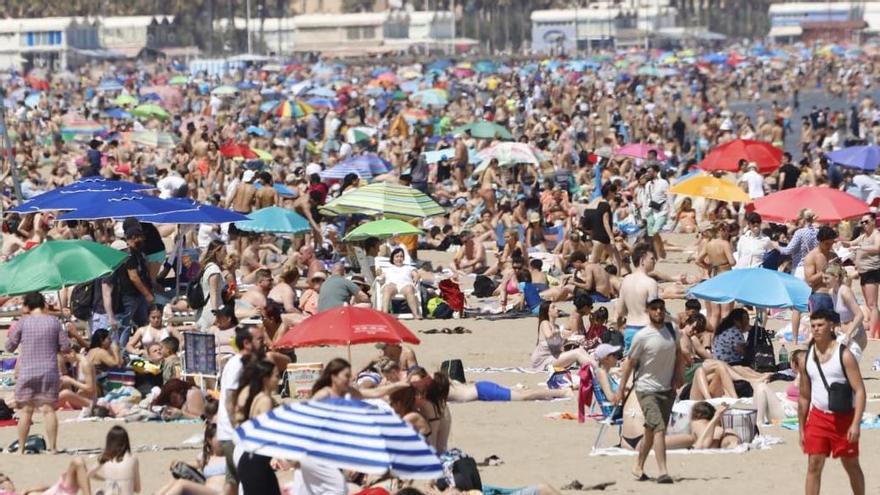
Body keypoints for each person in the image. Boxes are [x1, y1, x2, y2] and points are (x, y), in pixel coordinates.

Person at [611, 298, 684, 484]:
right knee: (659, 428)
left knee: (651, 431)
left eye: (661, 308)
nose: (658, 312)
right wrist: (620, 390)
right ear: (648, 311)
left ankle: (638, 465)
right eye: (654, 309)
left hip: (667, 389)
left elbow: (678, 353)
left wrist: (679, 374)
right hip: (645, 389)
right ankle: (663, 471)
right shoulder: (642, 336)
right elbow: (630, 364)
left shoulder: (671, 331)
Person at [799, 309, 865, 495]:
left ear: (831, 326)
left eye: (820, 325)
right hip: (818, 417)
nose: (816, 329)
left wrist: (855, 424)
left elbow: (859, 391)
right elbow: (804, 397)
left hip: (844, 418)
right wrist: (801, 428)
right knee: (814, 465)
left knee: (851, 465)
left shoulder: (844, 355)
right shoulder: (808, 357)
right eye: (813, 326)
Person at [4, 292, 69, 454]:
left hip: (27, 370)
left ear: (27, 305)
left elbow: (9, 346)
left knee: (26, 411)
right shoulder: (53, 322)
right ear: (43, 304)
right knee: (48, 410)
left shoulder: (23, 322)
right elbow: (66, 347)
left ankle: (20, 448)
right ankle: (53, 447)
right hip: (49, 370)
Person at [217, 328, 256, 493]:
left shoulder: (243, 363)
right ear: (247, 343)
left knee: (232, 479)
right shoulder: (237, 365)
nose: (264, 342)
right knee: (245, 477)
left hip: (230, 431)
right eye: (260, 339)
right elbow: (230, 399)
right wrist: (238, 429)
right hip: (232, 431)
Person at [235, 360, 281, 495]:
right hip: (255, 463)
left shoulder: (257, 397)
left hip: (253, 461)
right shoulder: (265, 401)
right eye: (276, 376)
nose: (278, 380)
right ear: (266, 379)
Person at [157, 423, 227, 495]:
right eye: (220, 438)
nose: (223, 441)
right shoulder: (206, 457)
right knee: (175, 480)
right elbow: (196, 464)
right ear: (209, 440)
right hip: (205, 489)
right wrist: (180, 462)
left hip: (220, 492)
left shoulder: (231, 456)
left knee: (182, 484)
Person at [615, 244, 659, 355]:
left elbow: (620, 311)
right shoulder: (650, 282)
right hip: (646, 329)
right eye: (652, 259)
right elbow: (655, 311)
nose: (654, 262)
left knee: (632, 367)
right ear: (642, 260)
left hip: (630, 329)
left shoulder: (626, 280)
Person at [117, 222, 154, 349]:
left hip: (139, 296)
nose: (141, 239)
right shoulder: (129, 255)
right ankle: (122, 352)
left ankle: (147, 349)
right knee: (125, 326)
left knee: (144, 324)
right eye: (138, 237)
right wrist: (147, 294)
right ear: (131, 238)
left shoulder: (138, 253)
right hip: (129, 296)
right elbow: (134, 277)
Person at [845, 213, 880, 339]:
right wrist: (841, 243)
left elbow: (877, 248)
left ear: (873, 222)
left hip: (872, 271)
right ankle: (875, 331)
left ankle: (873, 334)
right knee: (869, 303)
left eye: (866, 222)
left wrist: (859, 247)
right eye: (862, 222)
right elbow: (851, 243)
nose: (863, 224)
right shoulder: (864, 236)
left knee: (872, 304)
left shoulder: (876, 235)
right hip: (864, 272)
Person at [88, 425, 141, 495]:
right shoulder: (133, 459)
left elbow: (89, 474)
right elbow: (137, 489)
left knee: (99, 492)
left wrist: (105, 479)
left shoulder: (105, 457)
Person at [378, 248, 421, 318]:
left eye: (401, 256)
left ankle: (415, 314)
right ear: (393, 258)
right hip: (392, 286)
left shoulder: (409, 267)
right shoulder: (387, 269)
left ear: (403, 258)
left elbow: (415, 274)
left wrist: (416, 277)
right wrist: (379, 275)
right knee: (388, 287)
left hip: (405, 286)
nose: (399, 258)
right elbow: (380, 277)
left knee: (409, 288)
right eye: (397, 256)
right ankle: (385, 314)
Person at [196, 241, 227, 331]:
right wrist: (216, 313)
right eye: (224, 251)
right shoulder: (214, 270)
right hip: (213, 309)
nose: (226, 254)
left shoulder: (207, 267)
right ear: (217, 252)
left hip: (205, 309)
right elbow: (213, 293)